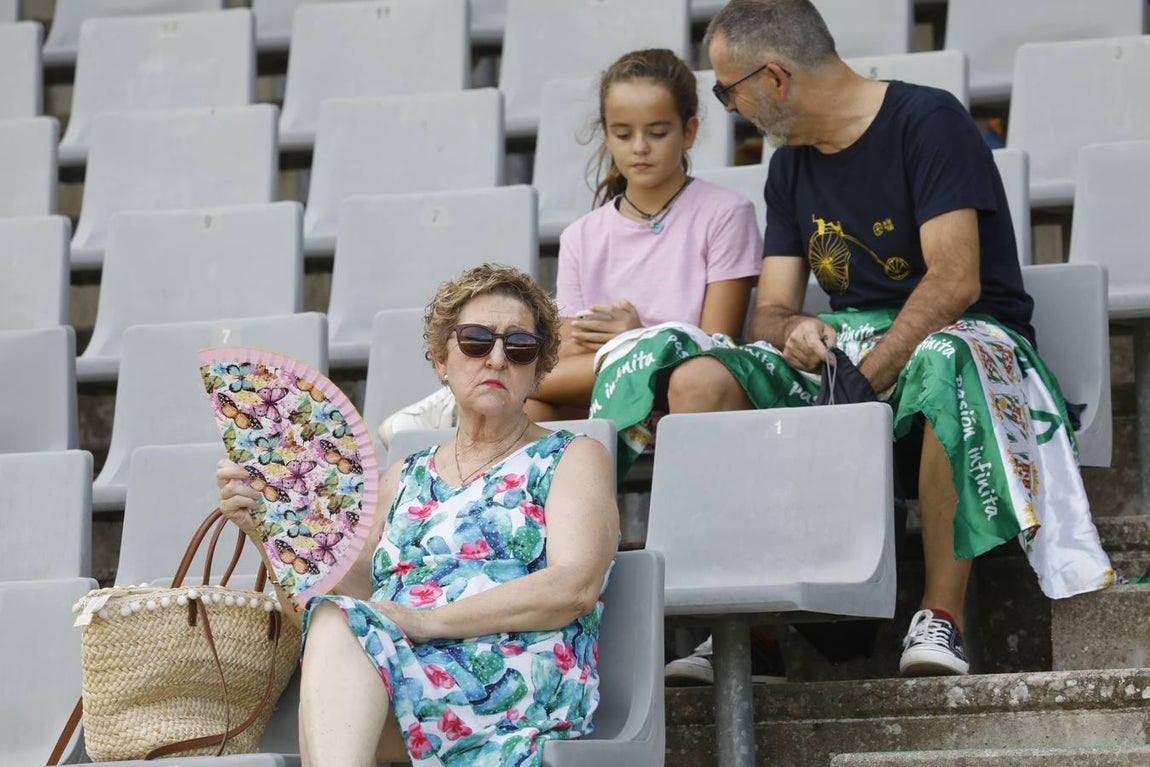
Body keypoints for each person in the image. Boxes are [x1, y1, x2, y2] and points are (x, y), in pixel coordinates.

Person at [656, 0, 1113, 679]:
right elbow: (770, 311)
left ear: (776, 78)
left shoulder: (928, 123)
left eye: (728, 88)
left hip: (976, 346)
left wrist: (862, 380)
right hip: (857, 354)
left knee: (943, 358)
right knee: (699, 379)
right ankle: (754, 630)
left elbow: (955, 280)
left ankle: (941, 616)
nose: (727, 107)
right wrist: (798, 330)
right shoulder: (789, 168)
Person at [218, 264, 620, 766]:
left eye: (519, 347)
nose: (497, 357)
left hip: (511, 683)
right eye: (476, 341)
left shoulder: (572, 456)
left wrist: (427, 621)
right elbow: (329, 605)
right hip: (408, 679)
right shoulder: (401, 477)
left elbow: (573, 587)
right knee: (333, 626)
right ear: (441, 361)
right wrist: (266, 532)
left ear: (538, 370)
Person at [379, 48, 763, 449]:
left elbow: (717, 341)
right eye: (623, 133)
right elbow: (564, 351)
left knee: (643, 366)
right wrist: (615, 345)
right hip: (595, 392)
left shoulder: (726, 213)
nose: (640, 147)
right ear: (606, 133)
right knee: (531, 407)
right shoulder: (582, 235)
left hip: (680, 387)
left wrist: (639, 338)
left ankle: (464, 390)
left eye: (658, 132)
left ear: (689, 131)